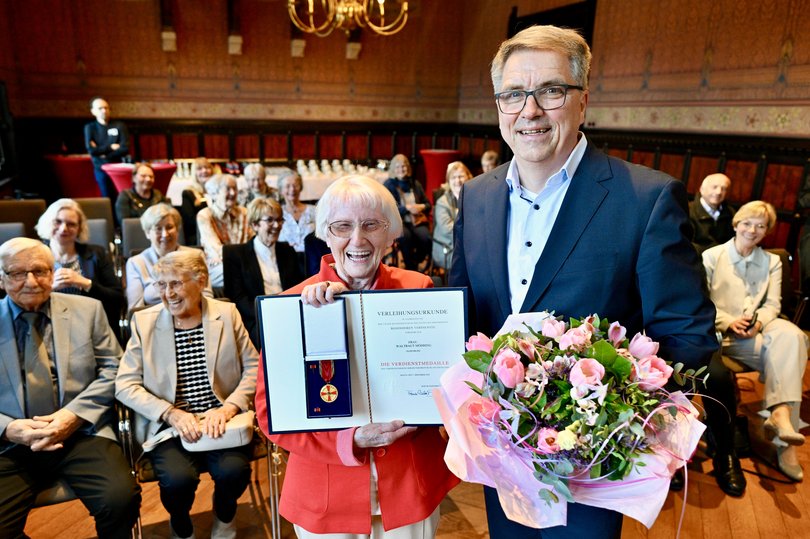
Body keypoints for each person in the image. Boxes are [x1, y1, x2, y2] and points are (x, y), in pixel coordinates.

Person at [449, 25, 717, 538]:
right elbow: (463, 315)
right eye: (513, 94)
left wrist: (617, 427)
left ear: (583, 102)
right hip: (498, 454)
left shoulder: (645, 198)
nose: (529, 111)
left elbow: (688, 333)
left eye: (550, 91)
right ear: (499, 105)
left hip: (593, 471)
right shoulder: (478, 196)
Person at [255, 175, 459, 538]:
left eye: (371, 225)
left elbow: (447, 385)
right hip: (327, 494)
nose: (357, 239)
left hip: (409, 485)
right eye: (342, 226)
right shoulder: (292, 305)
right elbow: (271, 414)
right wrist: (346, 441)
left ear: (390, 233)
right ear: (326, 234)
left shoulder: (419, 289)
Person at [0, 237, 140, 538]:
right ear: (1, 278)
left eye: (40, 271)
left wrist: (73, 416)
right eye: (17, 273)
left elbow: (114, 369)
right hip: (10, 444)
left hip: (80, 433)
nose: (31, 282)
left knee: (120, 500)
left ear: (53, 273)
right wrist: (9, 429)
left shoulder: (88, 310)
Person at [116, 249, 259, 539]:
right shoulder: (144, 322)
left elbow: (254, 368)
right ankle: (181, 525)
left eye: (176, 283)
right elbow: (125, 385)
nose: (168, 293)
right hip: (171, 425)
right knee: (177, 480)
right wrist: (170, 413)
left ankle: (225, 515)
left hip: (222, 420)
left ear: (201, 281)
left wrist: (229, 407)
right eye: (161, 284)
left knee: (233, 472)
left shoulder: (226, 313)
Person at [703, 201, 807, 483]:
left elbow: (773, 305)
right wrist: (728, 321)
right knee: (790, 354)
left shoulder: (772, 261)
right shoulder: (712, 256)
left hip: (757, 331)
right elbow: (703, 302)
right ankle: (783, 435)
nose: (753, 230)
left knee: (793, 336)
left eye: (760, 226)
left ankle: (781, 417)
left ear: (767, 231)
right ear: (736, 224)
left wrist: (759, 322)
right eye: (747, 223)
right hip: (723, 335)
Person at [35, 198, 124, 340]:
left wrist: (86, 283)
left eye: (71, 224)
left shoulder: (97, 254)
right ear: (48, 222)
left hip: (88, 326)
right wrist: (50, 289)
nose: (64, 228)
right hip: (46, 326)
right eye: (58, 222)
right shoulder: (34, 255)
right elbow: (24, 298)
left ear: (79, 229)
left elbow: (117, 298)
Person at [223, 198, 303, 350]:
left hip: (289, 315)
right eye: (270, 220)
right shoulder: (235, 254)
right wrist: (268, 314)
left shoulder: (287, 251)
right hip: (256, 319)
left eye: (279, 220)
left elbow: (297, 287)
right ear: (255, 225)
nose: (277, 226)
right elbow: (237, 298)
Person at [125, 203, 213, 313]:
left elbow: (207, 297)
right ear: (147, 233)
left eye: (169, 227)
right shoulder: (135, 263)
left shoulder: (196, 256)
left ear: (177, 229)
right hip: (154, 320)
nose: (165, 234)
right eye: (158, 229)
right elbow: (135, 309)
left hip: (194, 317)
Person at [197, 174, 254, 289]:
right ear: (215, 193)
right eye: (228, 189)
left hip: (245, 262)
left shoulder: (244, 213)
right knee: (236, 272)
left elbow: (253, 242)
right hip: (219, 266)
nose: (233, 193)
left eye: (235, 188)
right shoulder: (205, 215)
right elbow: (216, 250)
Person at [383, 154, 432, 270]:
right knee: (406, 238)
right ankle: (410, 267)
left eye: (404, 166)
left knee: (426, 238)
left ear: (408, 168)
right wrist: (407, 208)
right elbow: (388, 208)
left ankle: (416, 260)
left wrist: (421, 207)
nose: (401, 169)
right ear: (393, 169)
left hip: (416, 221)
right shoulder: (388, 185)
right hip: (398, 221)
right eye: (397, 167)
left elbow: (428, 205)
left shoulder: (415, 183)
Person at [84, 96, 129, 200]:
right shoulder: (90, 128)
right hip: (101, 168)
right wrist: (111, 147)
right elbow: (92, 151)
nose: (104, 111)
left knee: (122, 197)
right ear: (93, 111)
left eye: (106, 108)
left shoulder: (119, 125)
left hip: (119, 168)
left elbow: (124, 148)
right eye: (100, 108)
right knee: (107, 198)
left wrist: (103, 153)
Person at [432, 161, 472, 271]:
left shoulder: (474, 198)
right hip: (447, 247)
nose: (457, 181)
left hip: (468, 245)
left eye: (461, 176)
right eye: (453, 177)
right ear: (448, 182)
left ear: (468, 177)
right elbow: (448, 229)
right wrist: (472, 236)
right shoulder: (442, 202)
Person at [278, 170, 316, 274]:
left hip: (312, 261)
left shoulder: (314, 211)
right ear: (281, 190)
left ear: (301, 187)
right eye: (287, 186)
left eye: (295, 185)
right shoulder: (277, 213)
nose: (292, 189)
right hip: (286, 262)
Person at [690, 173, 735, 254]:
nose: (719, 192)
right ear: (701, 189)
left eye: (724, 189)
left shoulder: (731, 213)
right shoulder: (687, 210)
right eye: (714, 187)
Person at [181, 157, 215, 245]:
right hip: (198, 236)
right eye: (199, 169)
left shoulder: (217, 191)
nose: (204, 171)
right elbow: (190, 221)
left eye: (207, 167)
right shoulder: (188, 193)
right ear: (194, 173)